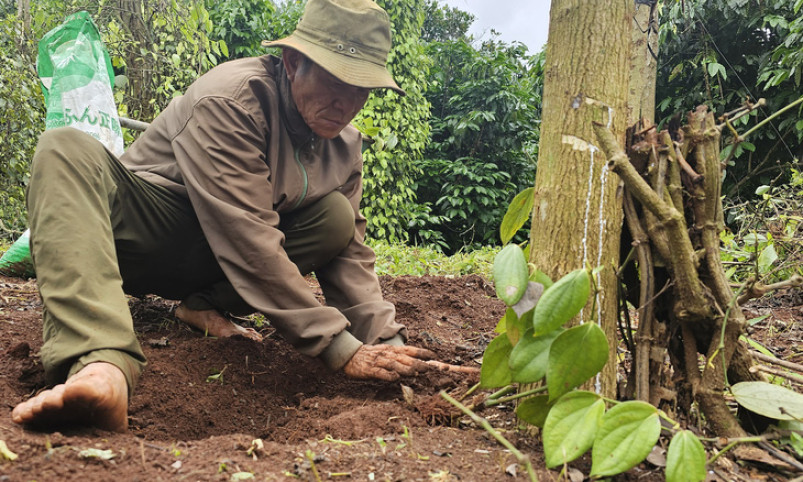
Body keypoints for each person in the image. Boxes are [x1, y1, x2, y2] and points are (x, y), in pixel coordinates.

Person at [11, 0, 442, 433]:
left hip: (219, 263)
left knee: (336, 218)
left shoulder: (345, 147)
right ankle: (100, 362)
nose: (346, 101)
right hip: (149, 236)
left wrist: (391, 347)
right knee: (64, 148)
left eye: (362, 87)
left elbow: (349, 255)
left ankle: (201, 306)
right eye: (335, 79)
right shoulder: (233, 97)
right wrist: (339, 347)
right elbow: (247, 234)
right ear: (293, 62)